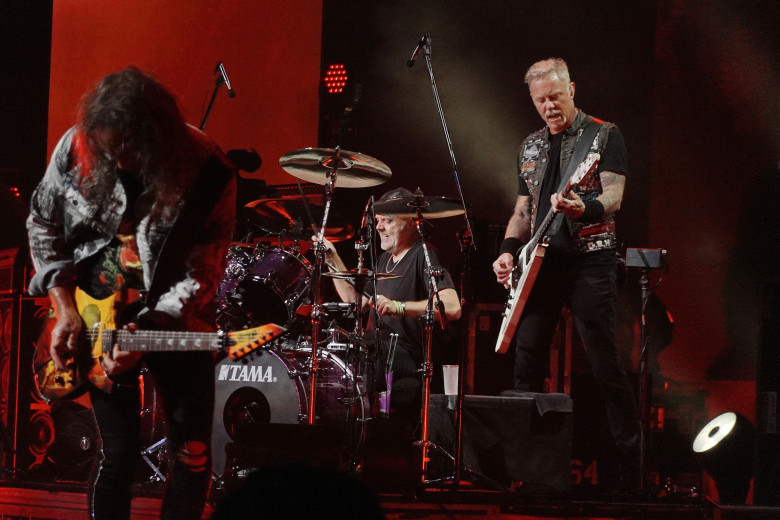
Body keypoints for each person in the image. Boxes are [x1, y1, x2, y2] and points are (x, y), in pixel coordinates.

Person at [26, 67, 237, 519]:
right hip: (94, 315)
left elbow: (202, 272)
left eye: (129, 149)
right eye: (108, 148)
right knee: (116, 453)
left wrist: (145, 329)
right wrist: (64, 308)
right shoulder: (77, 145)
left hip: (175, 321)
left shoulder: (209, 170)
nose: (118, 160)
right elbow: (42, 223)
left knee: (192, 455)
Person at [492, 58, 641, 491]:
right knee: (527, 355)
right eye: (541, 100)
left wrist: (584, 207)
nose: (549, 106)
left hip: (591, 259)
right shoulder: (530, 147)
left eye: (556, 96)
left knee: (603, 359)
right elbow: (523, 210)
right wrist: (506, 251)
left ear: (571, 89)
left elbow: (614, 195)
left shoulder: (604, 134)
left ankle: (626, 467)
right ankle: (527, 468)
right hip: (541, 261)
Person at [322, 187, 462, 425]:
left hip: (409, 353)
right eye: (378, 221)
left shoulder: (424, 253)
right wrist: (332, 258)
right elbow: (356, 302)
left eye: (387, 221)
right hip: (379, 349)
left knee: (366, 356)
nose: (378, 227)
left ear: (409, 223)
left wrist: (399, 307)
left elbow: (452, 307)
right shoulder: (385, 259)